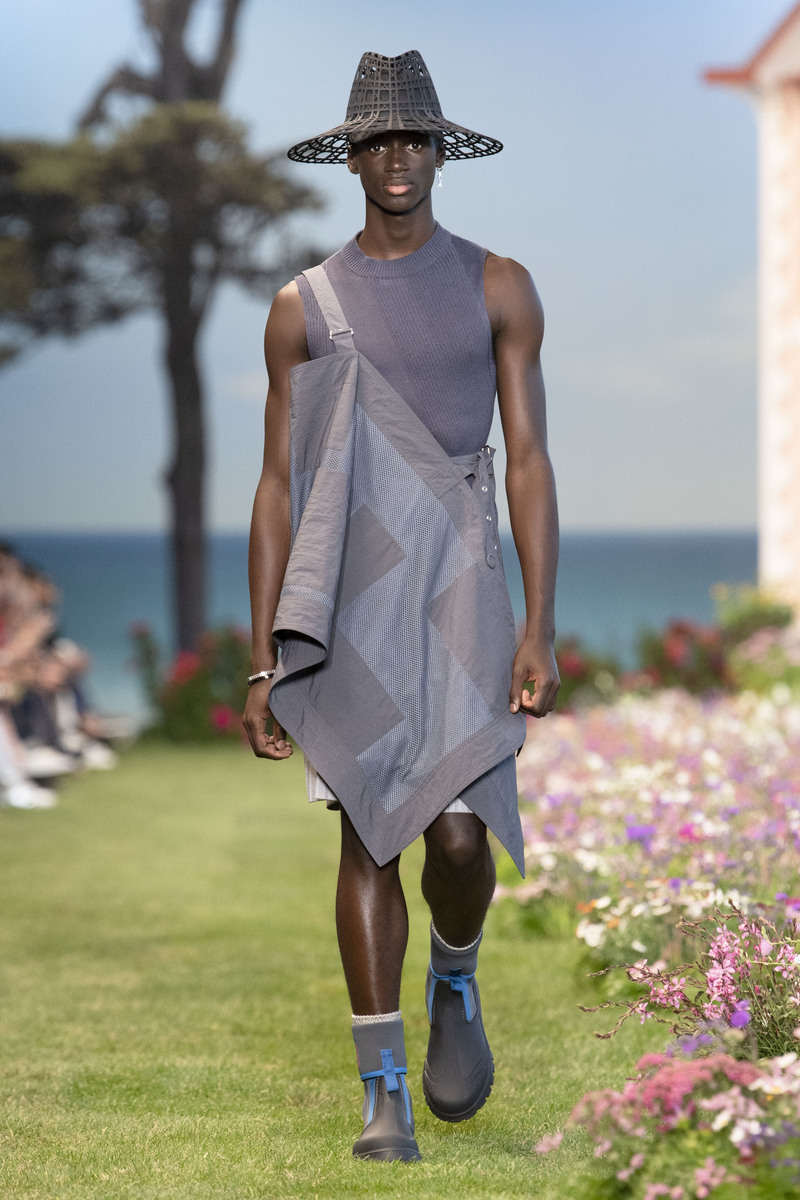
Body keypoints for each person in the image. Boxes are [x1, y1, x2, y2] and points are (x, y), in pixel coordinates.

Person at [243, 50, 559, 1162]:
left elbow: (528, 459)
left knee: (460, 839)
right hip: (353, 586)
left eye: (412, 139)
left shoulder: (496, 284)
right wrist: (264, 658)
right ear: (351, 157)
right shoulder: (303, 306)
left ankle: (454, 977)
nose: (395, 157)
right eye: (376, 140)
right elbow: (276, 486)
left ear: (438, 152)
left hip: (464, 579)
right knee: (370, 831)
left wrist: (537, 622)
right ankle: (383, 1094)